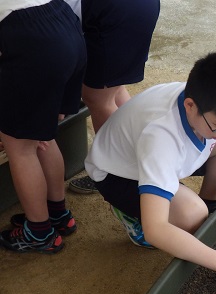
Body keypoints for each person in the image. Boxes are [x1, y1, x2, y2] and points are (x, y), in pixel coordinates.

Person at [85, 51, 216, 294]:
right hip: (118, 174)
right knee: (191, 214)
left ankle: (209, 202)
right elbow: (156, 229)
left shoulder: (205, 98)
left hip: (152, 156)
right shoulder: (161, 138)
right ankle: (130, 214)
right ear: (190, 106)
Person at [0, 0, 86, 253]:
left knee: (21, 148)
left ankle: (38, 232)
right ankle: (58, 213)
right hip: (64, 24)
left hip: (30, 39)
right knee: (43, 138)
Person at [67, 0, 161, 194]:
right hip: (139, 7)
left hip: (114, 12)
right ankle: (140, 156)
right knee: (112, 88)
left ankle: (113, 173)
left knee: (98, 98)